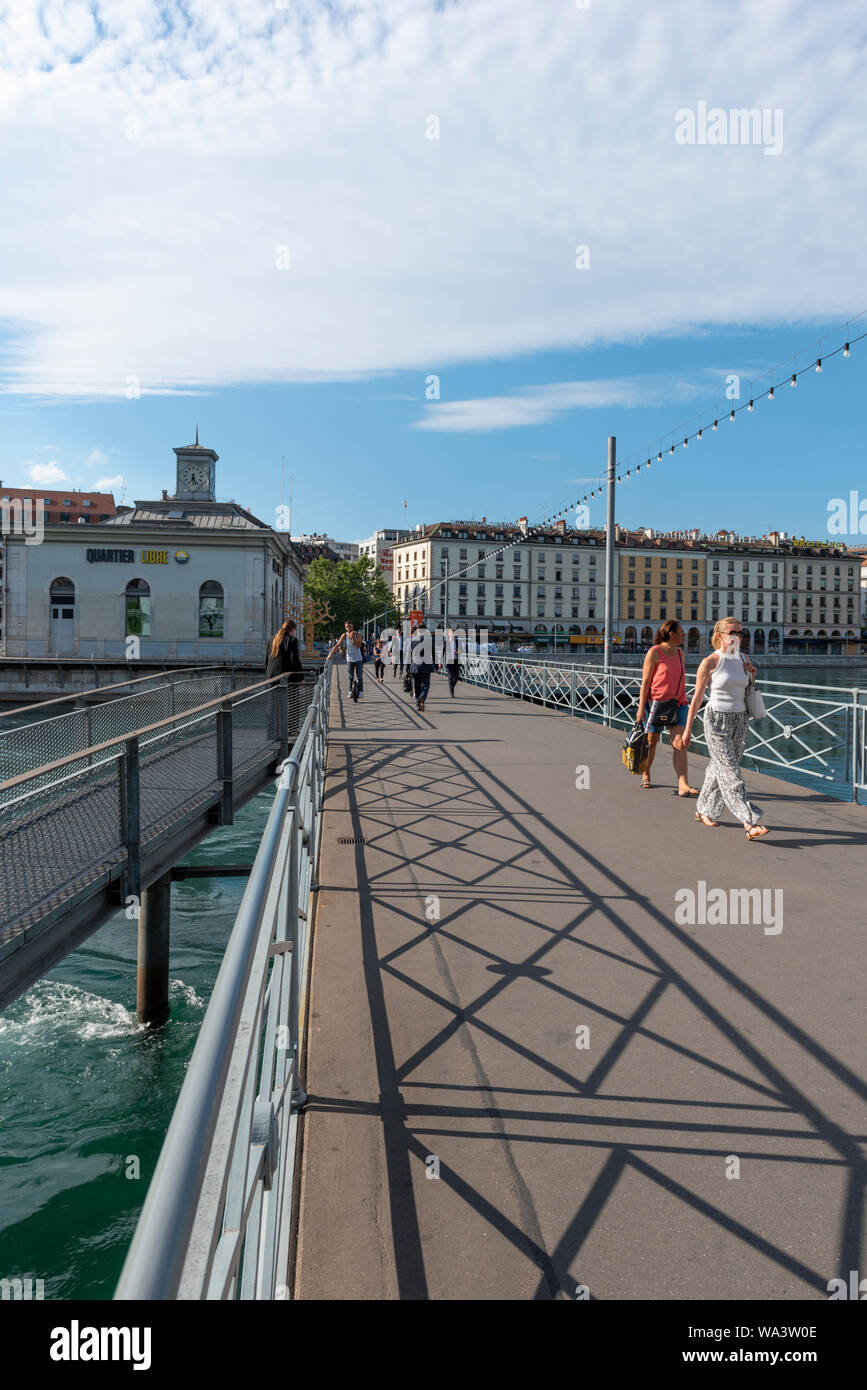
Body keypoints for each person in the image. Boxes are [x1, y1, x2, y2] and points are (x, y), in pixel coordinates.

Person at [682, 618, 769, 838]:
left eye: (740, 633)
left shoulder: (744, 658)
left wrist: (753, 673)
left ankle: (702, 810)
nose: (737, 637)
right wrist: (687, 728)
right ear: (719, 635)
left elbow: (747, 688)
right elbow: (697, 697)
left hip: (741, 719)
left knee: (718, 768)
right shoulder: (710, 661)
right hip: (716, 720)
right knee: (731, 772)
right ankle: (749, 821)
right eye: (733, 632)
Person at [636, 619, 698, 795]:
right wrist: (641, 708)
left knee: (680, 743)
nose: (684, 635)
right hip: (656, 704)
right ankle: (646, 773)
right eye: (681, 632)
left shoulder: (680, 654)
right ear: (671, 633)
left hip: (678, 703)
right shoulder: (654, 652)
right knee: (652, 741)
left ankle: (683, 784)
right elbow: (645, 683)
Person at [327, 621, 366, 699]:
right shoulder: (344, 635)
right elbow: (337, 645)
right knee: (350, 676)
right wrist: (330, 654)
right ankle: (350, 691)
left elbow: (358, 646)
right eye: (347, 626)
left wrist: (353, 638)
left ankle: (361, 691)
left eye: (350, 626)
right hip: (349, 659)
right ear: (345, 627)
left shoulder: (358, 634)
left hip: (358, 659)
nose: (349, 628)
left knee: (359, 676)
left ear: (353, 626)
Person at [408, 619, 434, 712]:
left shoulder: (412, 640)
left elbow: (409, 654)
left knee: (417, 686)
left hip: (415, 666)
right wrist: (434, 665)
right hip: (426, 666)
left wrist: (408, 668)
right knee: (426, 685)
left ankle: (418, 705)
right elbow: (433, 653)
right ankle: (422, 697)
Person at [444, 627, 460, 698]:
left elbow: (462, 650)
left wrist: (458, 651)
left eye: (453, 633)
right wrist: (439, 662)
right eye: (451, 633)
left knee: (456, 677)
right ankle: (451, 692)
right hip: (449, 661)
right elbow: (442, 651)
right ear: (448, 634)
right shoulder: (446, 642)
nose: (452, 634)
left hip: (456, 661)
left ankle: (451, 686)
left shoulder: (458, 641)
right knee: (450, 677)